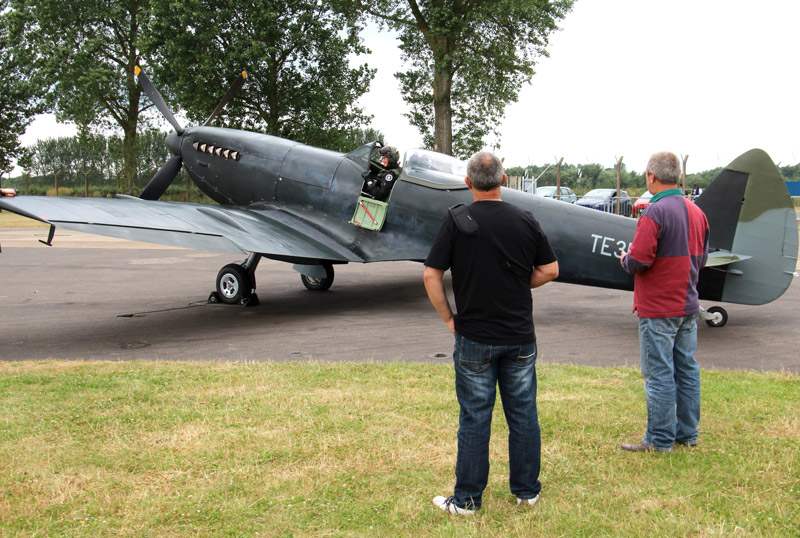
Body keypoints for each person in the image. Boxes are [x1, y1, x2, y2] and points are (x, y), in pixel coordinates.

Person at [423, 151, 559, 515]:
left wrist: (449, 318)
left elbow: (430, 275)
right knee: (523, 414)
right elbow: (550, 269)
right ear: (503, 180)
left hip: (474, 337)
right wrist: (516, 283)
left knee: (474, 417)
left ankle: (467, 500)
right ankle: (527, 491)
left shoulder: (455, 221)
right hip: (519, 336)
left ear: (468, 183)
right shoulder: (525, 219)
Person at [619, 151, 709, 453]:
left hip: (658, 309)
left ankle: (658, 440)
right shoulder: (698, 213)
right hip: (688, 306)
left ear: (651, 176)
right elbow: (704, 259)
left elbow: (639, 261)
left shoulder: (653, 213)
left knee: (658, 374)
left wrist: (625, 259)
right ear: (679, 177)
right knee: (686, 369)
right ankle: (687, 434)